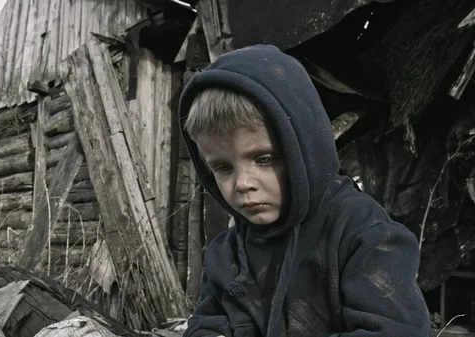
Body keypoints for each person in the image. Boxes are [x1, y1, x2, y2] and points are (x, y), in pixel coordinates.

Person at [178, 45, 431, 336]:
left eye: (263, 159)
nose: (242, 183)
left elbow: (395, 331)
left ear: (306, 148)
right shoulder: (226, 254)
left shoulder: (363, 233)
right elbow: (204, 327)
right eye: (223, 168)